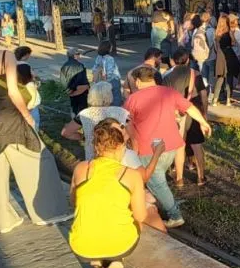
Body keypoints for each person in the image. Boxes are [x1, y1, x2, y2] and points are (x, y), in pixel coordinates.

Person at [0, 13, 70, 232]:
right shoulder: (5, 55)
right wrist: (27, 116)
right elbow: (13, 93)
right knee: (38, 162)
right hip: (11, 118)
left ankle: (0, 221)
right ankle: (46, 213)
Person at [124, 66, 212, 228]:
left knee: (155, 181)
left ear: (137, 81)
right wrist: (203, 122)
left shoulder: (133, 99)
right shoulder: (169, 92)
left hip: (148, 149)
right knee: (160, 178)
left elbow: (126, 122)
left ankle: (175, 215)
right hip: (171, 146)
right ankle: (167, 200)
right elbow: (190, 108)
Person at [68, 121, 148, 268]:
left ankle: (96, 263)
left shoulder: (81, 168)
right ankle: (116, 261)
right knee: (137, 221)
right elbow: (141, 216)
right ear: (120, 147)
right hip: (121, 244)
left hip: (82, 246)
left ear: (96, 147)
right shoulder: (131, 175)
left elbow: (74, 202)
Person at [165, 49, 208, 186]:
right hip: (194, 111)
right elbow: (204, 95)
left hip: (177, 113)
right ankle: (201, 176)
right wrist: (204, 114)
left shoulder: (167, 76)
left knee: (179, 146)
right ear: (188, 60)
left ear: (172, 60)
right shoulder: (196, 74)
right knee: (197, 145)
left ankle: (179, 179)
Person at [60, 82, 131, 161]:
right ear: (108, 96)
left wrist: (83, 137)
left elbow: (65, 133)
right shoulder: (121, 112)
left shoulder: (84, 114)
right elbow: (131, 131)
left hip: (94, 158)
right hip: (118, 156)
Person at [212, 16, 240, 107]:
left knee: (220, 79)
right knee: (229, 78)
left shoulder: (216, 33)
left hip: (220, 56)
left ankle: (214, 100)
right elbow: (234, 43)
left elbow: (216, 47)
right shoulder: (229, 32)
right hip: (228, 55)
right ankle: (228, 100)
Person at [60, 48, 90, 116]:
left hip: (70, 92)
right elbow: (82, 81)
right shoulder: (80, 66)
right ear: (75, 56)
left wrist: (69, 91)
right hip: (80, 92)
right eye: (78, 54)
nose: (80, 56)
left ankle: (74, 120)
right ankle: (80, 124)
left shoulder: (64, 66)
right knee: (83, 111)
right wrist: (88, 86)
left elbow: (62, 81)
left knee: (74, 108)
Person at [92, 40, 122, 106]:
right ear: (108, 49)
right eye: (111, 47)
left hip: (102, 81)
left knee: (105, 100)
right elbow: (110, 72)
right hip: (112, 81)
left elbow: (94, 68)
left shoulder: (98, 57)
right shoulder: (110, 58)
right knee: (116, 99)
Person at [16, 64, 40, 132]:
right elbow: (32, 103)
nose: (33, 71)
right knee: (33, 130)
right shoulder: (30, 86)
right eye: (31, 70)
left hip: (23, 113)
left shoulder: (19, 86)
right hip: (31, 112)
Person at [193, 13, 215, 87]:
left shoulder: (196, 30)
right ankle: (211, 91)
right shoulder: (212, 30)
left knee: (203, 75)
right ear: (209, 19)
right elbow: (215, 44)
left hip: (200, 56)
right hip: (211, 56)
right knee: (212, 74)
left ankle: (205, 90)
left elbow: (192, 44)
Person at [229, 14, 240, 89]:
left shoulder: (226, 29)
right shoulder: (237, 30)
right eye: (236, 20)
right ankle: (239, 83)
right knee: (238, 68)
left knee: (230, 68)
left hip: (229, 51)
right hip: (237, 51)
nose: (237, 21)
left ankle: (229, 83)